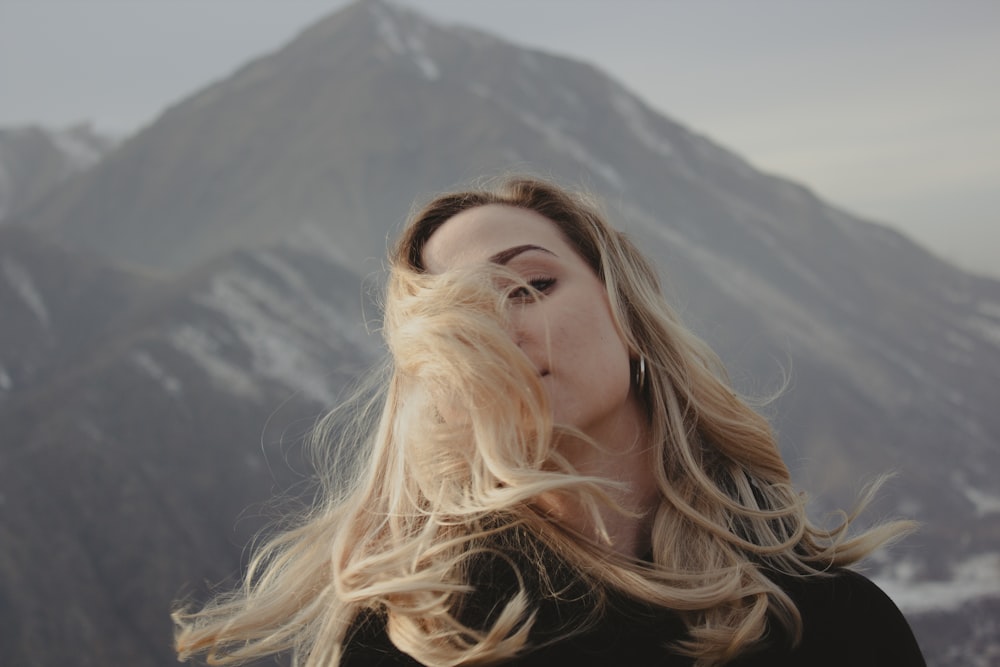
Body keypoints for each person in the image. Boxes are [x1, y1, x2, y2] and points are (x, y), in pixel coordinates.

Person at [174, 176, 926, 666]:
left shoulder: (834, 623)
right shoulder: (411, 643)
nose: (501, 325)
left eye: (531, 283)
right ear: (443, 383)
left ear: (627, 314)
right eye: (460, 319)